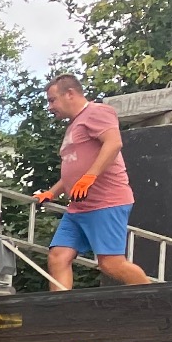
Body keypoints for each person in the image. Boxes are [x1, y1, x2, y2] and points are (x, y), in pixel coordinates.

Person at [37, 75, 148, 290]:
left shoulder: (97, 112)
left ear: (70, 94)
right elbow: (73, 168)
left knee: (111, 264)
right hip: (78, 207)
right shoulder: (73, 126)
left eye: (52, 100)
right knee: (58, 256)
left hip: (105, 202)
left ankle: (160, 301)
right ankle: (63, 314)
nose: (50, 107)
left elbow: (114, 143)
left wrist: (91, 177)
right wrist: (52, 192)